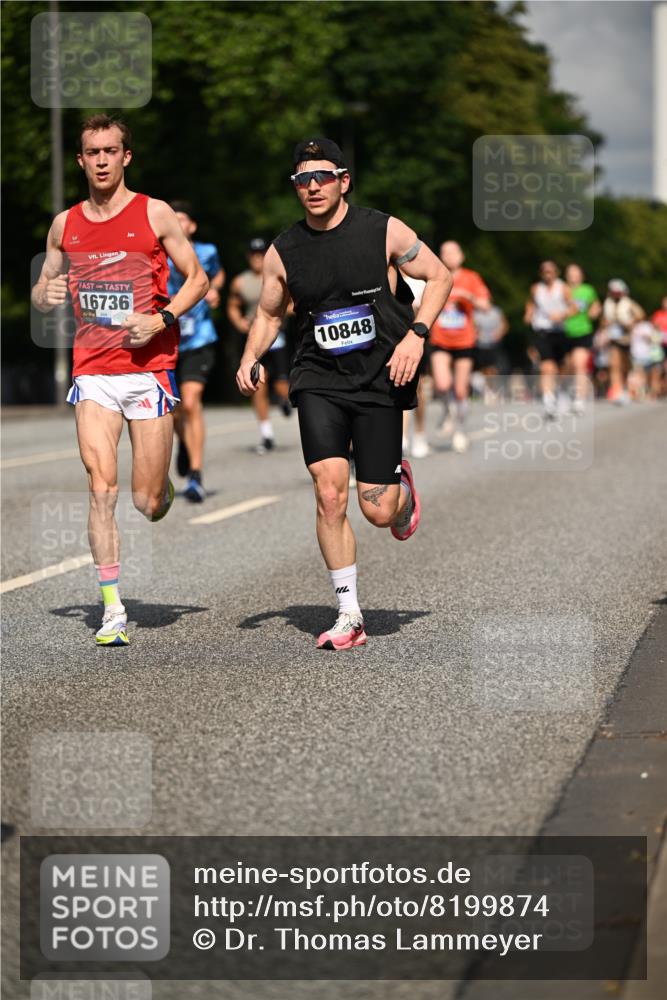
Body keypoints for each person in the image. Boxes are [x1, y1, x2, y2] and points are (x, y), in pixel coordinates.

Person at [236, 138, 450, 650]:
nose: (312, 187)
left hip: (381, 375)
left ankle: (400, 493)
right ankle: (348, 613)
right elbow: (268, 313)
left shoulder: (383, 230)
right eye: (302, 180)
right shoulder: (283, 249)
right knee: (329, 491)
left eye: (322, 177)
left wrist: (416, 338)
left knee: (377, 510)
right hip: (318, 378)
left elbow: (439, 277)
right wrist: (250, 356)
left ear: (343, 180)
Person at [31, 114, 208, 645]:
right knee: (100, 487)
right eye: (92, 152)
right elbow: (43, 287)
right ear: (81, 159)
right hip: (94, 373)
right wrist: (47, 295)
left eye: (111, 151)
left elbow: (197, 278)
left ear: (126, 156)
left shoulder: (153, 213)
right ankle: (112, 610)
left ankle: (161, 491)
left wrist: (162, 318)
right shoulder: (65, 224)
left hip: (148, 370)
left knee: (143, 502)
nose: (102, 160)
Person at [168, 201, 225, 501]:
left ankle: (196, 474)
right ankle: (183, 442)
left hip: (199, 338)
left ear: (192, 226)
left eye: (183, 220)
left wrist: (214, 289)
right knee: (175, 411)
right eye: (172, 220)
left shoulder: (207, 252)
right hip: (167, 340)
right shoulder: (159, 255)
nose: (178, 224)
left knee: (190, 402)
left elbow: (217, 274)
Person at [228, 238, 292, 454]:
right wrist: (239, 322)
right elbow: (233, 306)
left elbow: (293, 305)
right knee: (257, 386)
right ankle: (266, 435)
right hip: (253, 340)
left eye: (261, 253)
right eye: (253, 254)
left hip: (277, 338)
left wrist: (273, 315)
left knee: (282, 383)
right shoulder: (240, 282)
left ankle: (284, 399)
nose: (257, 258)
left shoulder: (276, 274)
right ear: (249, 257)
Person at [429, 241, 490, 452]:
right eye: (445, 252)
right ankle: (447, 411)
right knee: (442, 384)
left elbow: (485, 305)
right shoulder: (435, 275)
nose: (449, 256)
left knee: (461, 390)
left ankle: (460, 431)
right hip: (440, 339)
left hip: (465, 340)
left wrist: (467, 297)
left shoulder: (471, 278)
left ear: (461, 255)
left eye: (453, 252)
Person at [524, 261, 573, 418]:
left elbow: (574, 307)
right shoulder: (536, 289)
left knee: (562, 368)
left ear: (556, 273)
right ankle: (548, 401)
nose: (548, 274)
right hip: (542, 331)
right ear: (541, 273)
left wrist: (562, 315)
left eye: (551, 271)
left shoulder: (563, 288)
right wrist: (529, 314)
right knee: (546, 367)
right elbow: (531, 304)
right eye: (545, 271)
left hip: (559, 332)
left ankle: (563, 393)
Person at [600, 279, 645, 405]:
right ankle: (617, 390)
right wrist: (606, 324)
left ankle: (627, 389)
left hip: (627, 339)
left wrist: (630, 323)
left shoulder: (629, 303)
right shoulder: (608, 304)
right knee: (614, 364)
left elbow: (640, 315)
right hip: (614, 338)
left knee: (625, 366)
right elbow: (603, 321)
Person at [563, 263, 600, 414]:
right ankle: (565, 394)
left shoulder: (587, 290)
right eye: (570, 273)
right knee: (567, 366)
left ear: (581, 275)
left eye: (576, 273)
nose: (573, 276)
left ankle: (579, 399)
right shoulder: (562, 289)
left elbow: (596, 305)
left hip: (583, 331)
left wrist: (594, 312)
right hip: (564, 332)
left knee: (580, 365)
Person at [473, 302, 509, 404]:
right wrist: (475, 333)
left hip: (494, 344)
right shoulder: (475, 313)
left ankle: (493, 390)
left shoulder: (496, 312)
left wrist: (500, 333)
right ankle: (487, 390)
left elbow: (505, 325)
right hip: (480, 344)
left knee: (493, 369)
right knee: (484, 370)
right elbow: (472, 326)